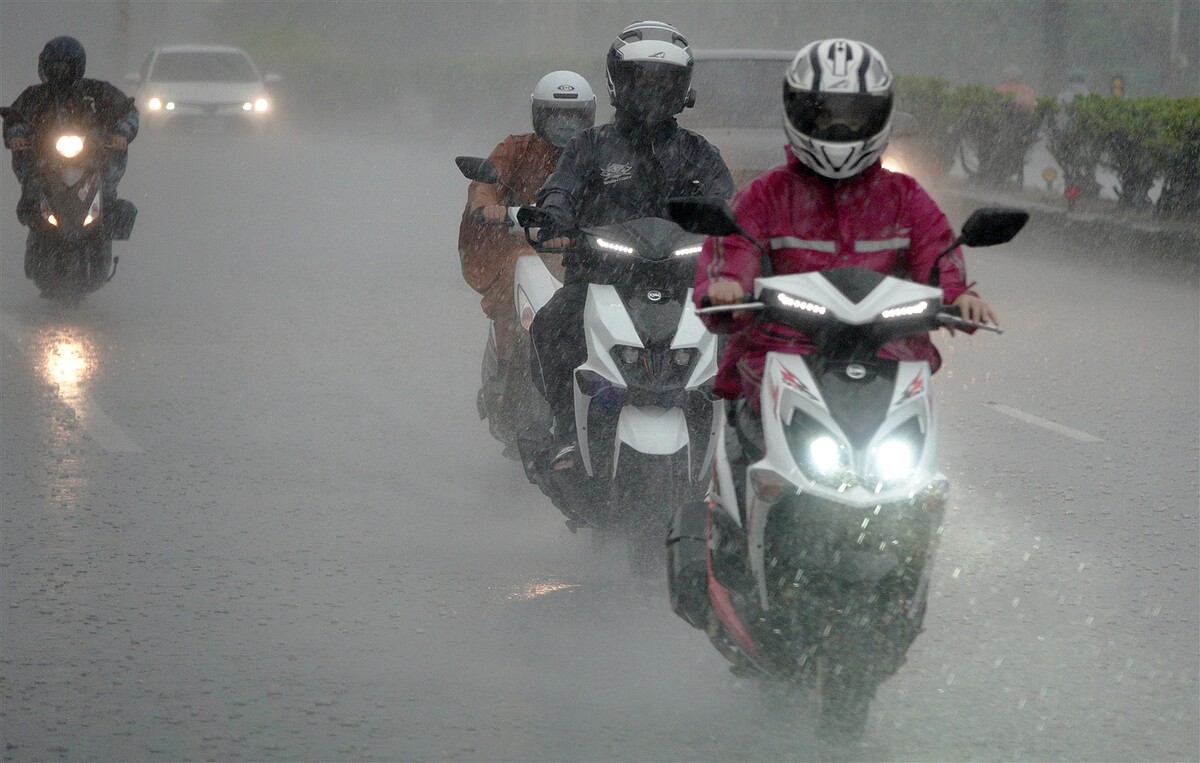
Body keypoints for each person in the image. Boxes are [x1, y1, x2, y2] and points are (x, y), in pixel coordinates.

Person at [697, 39, 996, 424]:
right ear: (797, 112)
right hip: (781, 351)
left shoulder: (906, 197)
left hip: (891, 354)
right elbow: (734, 246)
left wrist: (958, 296)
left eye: (854, 116)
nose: (838, 128)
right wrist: (726, 285)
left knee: (924, 465)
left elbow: (937, 256)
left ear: (880, 115)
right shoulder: (766, 195)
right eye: (823, 115)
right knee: (753, 429)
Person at [529, 20, 736, 469]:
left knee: (746, 331)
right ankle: (565, 429)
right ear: (617, 81)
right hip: (600, 278)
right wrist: (552, 215)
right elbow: (560, 189)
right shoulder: (589, 146)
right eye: (642, 78)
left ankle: (737, 443)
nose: (653, 91)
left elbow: (729, 201)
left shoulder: (699, 153)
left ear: (683, 88)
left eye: (665, 81)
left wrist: (743, 226)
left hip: (686, 283)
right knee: (550, 325)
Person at [457, 70, 596, 362]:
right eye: (555, 117)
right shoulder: (516, 148)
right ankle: (510, 356)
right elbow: (484, 184)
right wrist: (489, 207)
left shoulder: (598, 151)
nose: (564, 126)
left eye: (573, 117)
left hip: (581, 249)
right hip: (524, 245)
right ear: (538, 116)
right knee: (515, 269)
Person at [3, 36, 137, 225]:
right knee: (32, 189)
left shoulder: (96, 91)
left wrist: (121, 133)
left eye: (64, 67)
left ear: (76, 66)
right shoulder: (35, 96)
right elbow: (15, 116)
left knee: (105, 191)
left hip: (91, 157)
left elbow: (126, 110)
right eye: (54, 67)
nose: (59, 73)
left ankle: (105, 216)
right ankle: (37, 217)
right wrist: (17, 134)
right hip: (46, 159)